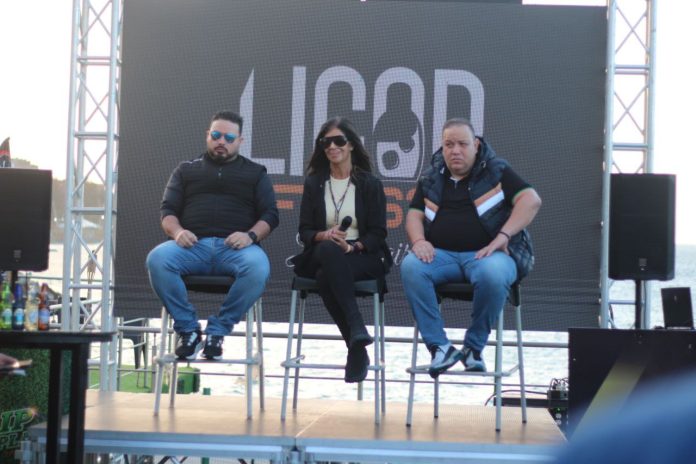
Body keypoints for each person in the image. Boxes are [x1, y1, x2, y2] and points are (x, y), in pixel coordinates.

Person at [400, 118, 541, 378]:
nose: (455, 150)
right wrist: (419, 241)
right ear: (442, 147)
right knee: (411, 266)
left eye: (462, 144)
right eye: (449, 144)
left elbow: (530, 200)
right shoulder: (431, 176)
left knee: (493, 274)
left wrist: (503, 236)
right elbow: (414, 215)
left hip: (488, 255)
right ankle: (440, 348)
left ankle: (473, 348)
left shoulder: (496, 170)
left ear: (475, 145)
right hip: (443, 257)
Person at [146, 110, 279, 361]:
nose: (221, 142)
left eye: (229, 138)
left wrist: (250, 236)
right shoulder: (186, 170)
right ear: (208, 135)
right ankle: (188, 330)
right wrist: (178, 232)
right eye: (216, 135)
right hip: (192, 248)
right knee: (157, 259)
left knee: (258, 267)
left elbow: (270, 215)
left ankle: (218, 331)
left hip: (237, 250)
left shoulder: (255, 172)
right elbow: (168, 212)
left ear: (240, 141)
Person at [291, 117, 392, 383]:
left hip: (360, 255)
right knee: (327, 249)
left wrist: (352, 246)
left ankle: (356, 348)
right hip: (321, 251)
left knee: (326, 276)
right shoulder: (315, 183)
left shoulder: (369, 183)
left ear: (351, 145)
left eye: (339, 141)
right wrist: (324, 235)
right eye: (326, 142)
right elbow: (305, 231)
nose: (332, 147)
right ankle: (356, 326)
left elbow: (378, 233)